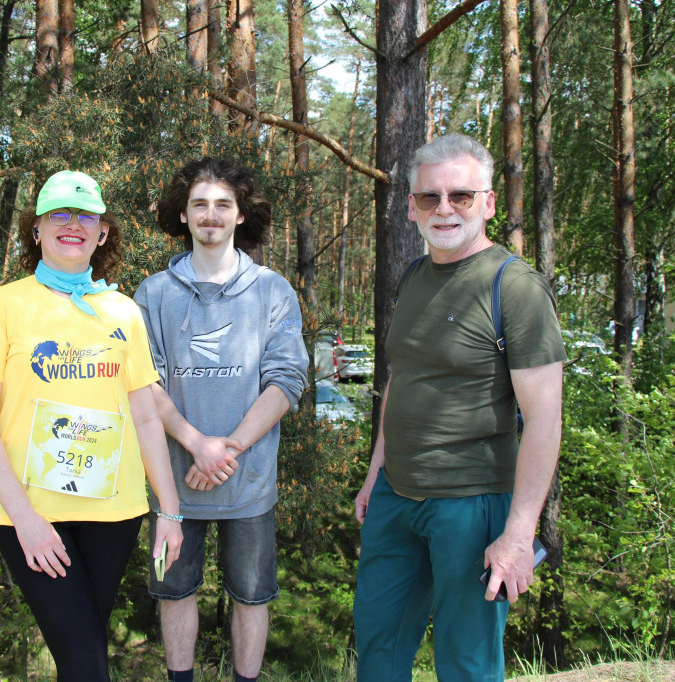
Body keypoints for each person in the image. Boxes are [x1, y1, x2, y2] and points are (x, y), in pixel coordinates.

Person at [352, 135, 566, 682]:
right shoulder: (412, 277)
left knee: (467, 663)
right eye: (429, 197)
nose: (444, 209)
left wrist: (520, 533)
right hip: (395, 498)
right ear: (411, 207)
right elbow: (401, 378)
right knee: (378, 650)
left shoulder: (515, 287)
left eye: (460, 196)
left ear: (488, 203)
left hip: (472, 505)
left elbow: (544, 418)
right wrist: (376, 471)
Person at [0, 170, 183, 681]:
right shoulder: (4, 305)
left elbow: (146, 414)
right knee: (87, 665)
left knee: (82, 657)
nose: (73, 224)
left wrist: (169, 512)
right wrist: (26, 521)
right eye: (59, 213)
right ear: (35, 229)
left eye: (86, 216)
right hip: (32, 515)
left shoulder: (124, 312)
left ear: (102, 233)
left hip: (114, 515)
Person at [133, 158, 309, 682]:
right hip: (173, 488)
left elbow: (287, 382)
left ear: (240, 215)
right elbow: (145, 386)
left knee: (253, 596)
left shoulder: (272, 291)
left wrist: (225, 448)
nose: (211, 215)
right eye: (199, 205)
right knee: (174, 590)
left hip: (248, 484)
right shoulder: (153, 295)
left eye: (223, 205)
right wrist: (196, 443)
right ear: (183, 216)